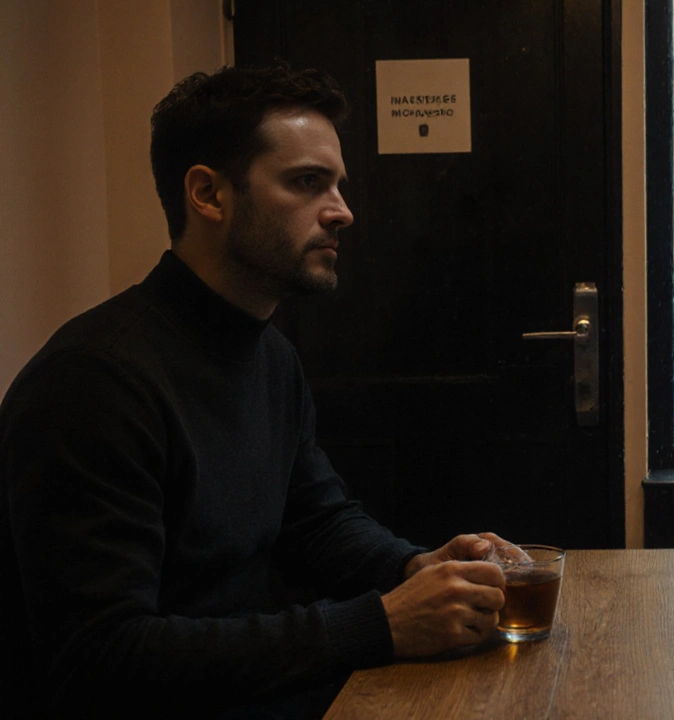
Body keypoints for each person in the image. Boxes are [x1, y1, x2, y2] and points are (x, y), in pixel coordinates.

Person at [0, 64, 511, 719]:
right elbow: (103, 657)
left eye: (337, 184)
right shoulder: (91, 382)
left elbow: (316, 520)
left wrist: (413, 567)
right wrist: (380, 623)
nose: (343, 211)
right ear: (209, 195)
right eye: (306, 183)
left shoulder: (268, 353)